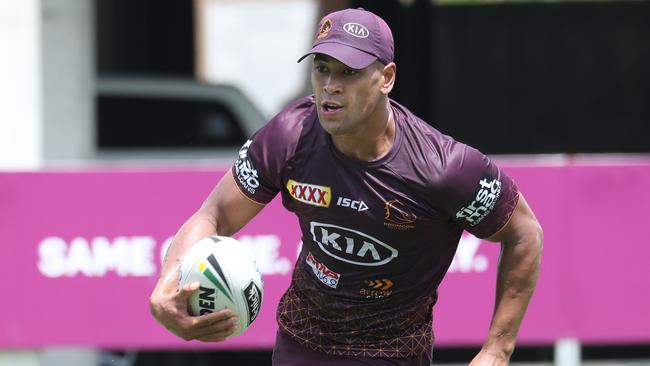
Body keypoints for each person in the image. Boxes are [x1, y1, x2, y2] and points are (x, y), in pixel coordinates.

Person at [149, 7, 543, 366]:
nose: (330, 86)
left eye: (349, 72)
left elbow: (525, 234)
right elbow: (214, 215)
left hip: (391, 351)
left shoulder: (444, 168)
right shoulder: (290, 136)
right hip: (302, 339)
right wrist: (167, 283)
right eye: (322, 68)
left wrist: (497, 349)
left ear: (386, 78)